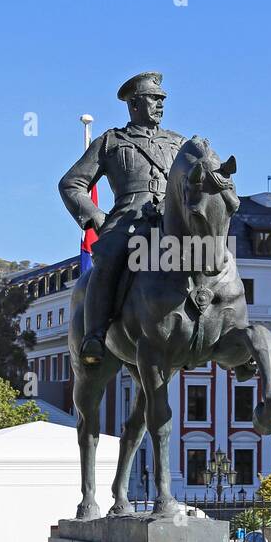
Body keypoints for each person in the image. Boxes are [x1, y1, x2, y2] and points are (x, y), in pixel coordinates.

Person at [58, 72, 186, 365]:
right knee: (109, 259)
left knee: (211, 256)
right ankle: (95, 335)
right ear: (134, 104)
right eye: (154, 99)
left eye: (162, 99)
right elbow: (71, 184)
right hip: (129, 219)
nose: (160, 105)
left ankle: (221, 332)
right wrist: (94, 216)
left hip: (172, 220)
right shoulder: (111, 142)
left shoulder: (178, 143)